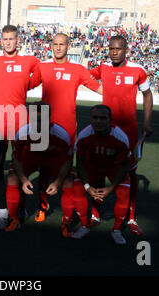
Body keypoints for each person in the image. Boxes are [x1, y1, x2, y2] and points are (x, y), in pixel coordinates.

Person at [29, 33, 102, 222]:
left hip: (68, 127)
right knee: (44, 169)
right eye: (55, 44)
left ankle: (68, 215)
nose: (58, 47)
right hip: (45, 126)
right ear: (51, 46)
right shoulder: (42, 66)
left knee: (68, 171)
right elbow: (26, 84)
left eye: (62, 44)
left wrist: (122, 91)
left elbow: (98, 88)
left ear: (68, 46)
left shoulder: (78, 69)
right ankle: (42, 207)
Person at [90, 35, 153, 236]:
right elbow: (84, 77)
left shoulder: (138, 70)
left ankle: (131, 217)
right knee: (98, 170)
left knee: (131, 174)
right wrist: (101, 90)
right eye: (111, 49)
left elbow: (147, 94)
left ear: (126, 49)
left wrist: (146, 123)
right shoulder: (103, 67)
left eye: (118, 49)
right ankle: (95, 214)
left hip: (129, 131)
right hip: (104, 130)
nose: (114, 52)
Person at [0, 24, 40, 219]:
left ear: (17, 40)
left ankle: (20, 206)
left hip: (19, 116)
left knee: (20, 161)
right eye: (5, 39)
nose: (8, 42)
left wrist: (24, 87)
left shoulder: (29, 60)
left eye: (11, 39)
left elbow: (39, 75)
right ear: (0, 40)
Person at [5, 101, 73, 232]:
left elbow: (67, 161)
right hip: (32, 155)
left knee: (68, 181)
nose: (39, 124)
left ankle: (66, 222)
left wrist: (58, 182)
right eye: (35, 119)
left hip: (53, 157)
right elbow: (17, 160)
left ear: (49, 117)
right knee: (13, 178)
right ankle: (14, 218)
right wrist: (24, 180)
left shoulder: (61, 134)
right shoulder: (23, 132)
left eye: (42, 120)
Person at [73, 104, 132, 245]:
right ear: (90, 119)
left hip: (114, 167)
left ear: (110, 120)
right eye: (95, 117)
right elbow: (80, 163)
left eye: (103, 118)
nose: (98, 121)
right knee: (76, 187)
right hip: (92, 165)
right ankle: (84, 225)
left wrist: (111, 187)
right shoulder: (84, 135)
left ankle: (117, 229)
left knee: (124, 192)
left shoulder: (121, 137)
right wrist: (87, 186)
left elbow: (125, 165)